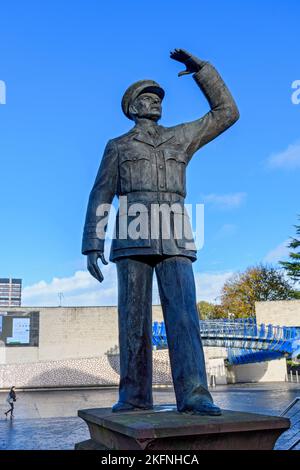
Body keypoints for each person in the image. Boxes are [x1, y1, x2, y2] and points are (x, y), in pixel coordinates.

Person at [82, 48, 239, 415]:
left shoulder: (180, 137)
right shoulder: (118, 147)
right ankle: (134, 395)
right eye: (146, 97)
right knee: (132, 319)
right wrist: (93, 241)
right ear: (132, 108)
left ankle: (196, 393)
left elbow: (227, 113)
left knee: (184, 315)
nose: (154, 101)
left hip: (174, 230)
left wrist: (203, 71)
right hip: (131, 232)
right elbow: (101, 192)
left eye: (157, 97)